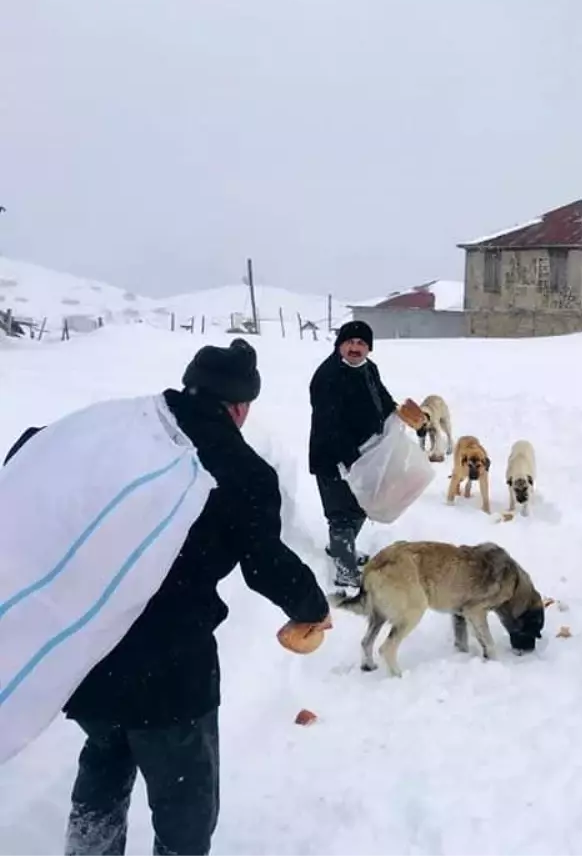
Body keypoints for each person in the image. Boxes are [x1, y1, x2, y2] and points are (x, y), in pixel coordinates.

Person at [0, 339, 333, 856]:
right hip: (172, 671)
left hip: (92, 656)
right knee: (185, 797)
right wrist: (311, 606)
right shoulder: (241, 471)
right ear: (241, 406)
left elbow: (34, 452)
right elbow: (265, 564)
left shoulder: (122, 430)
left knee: (105, 757)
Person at [307, 320, 397, 589]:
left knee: (359, 507)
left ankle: (342, 549)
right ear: (340, 345)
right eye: (350, 342)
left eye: (361, 343)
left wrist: (396, 413)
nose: (355, 348)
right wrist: (350, 459)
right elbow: (329, 424)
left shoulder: (369, 369)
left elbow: (380, 397)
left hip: (364, 455)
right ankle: (345, 568)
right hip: (332, 458)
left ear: (369, 348)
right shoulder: (328, 376)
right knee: (341, 513)